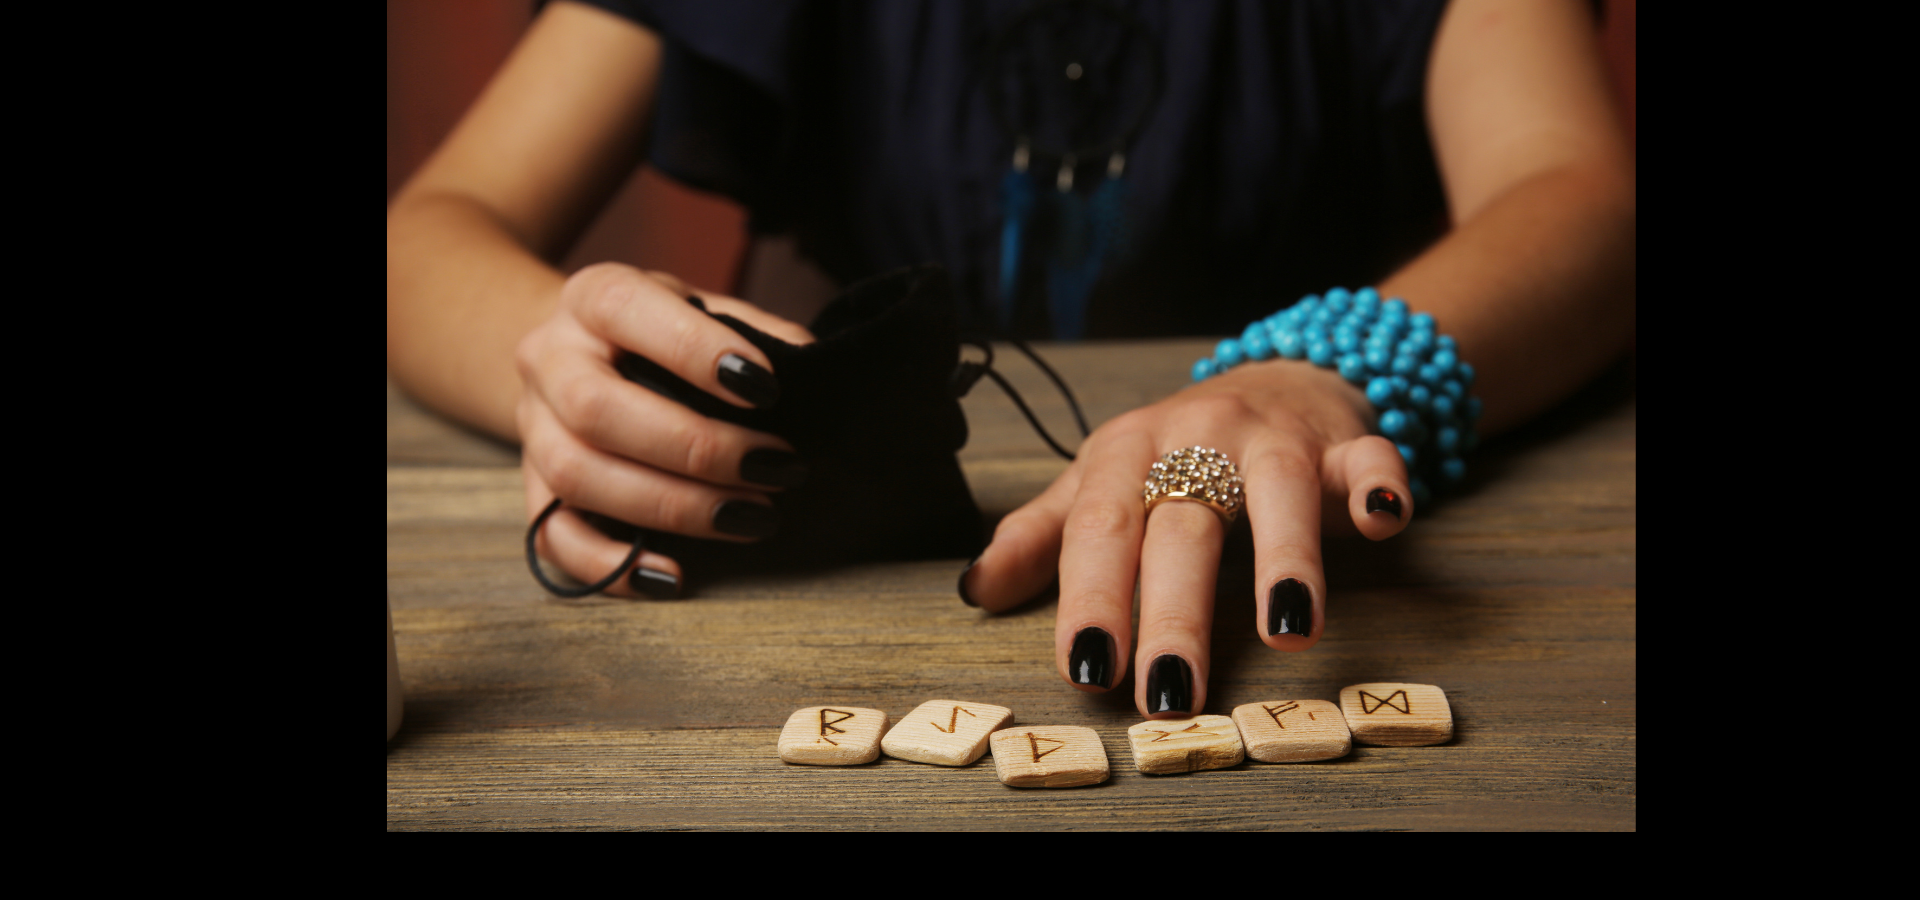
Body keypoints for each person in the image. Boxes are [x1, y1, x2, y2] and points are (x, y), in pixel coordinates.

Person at [386, 0, 1634, 719]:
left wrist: (1303, 374)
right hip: (832, 602)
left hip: (1296, 532)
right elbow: (426, 237)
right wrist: (562, 364)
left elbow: (1581, 198)